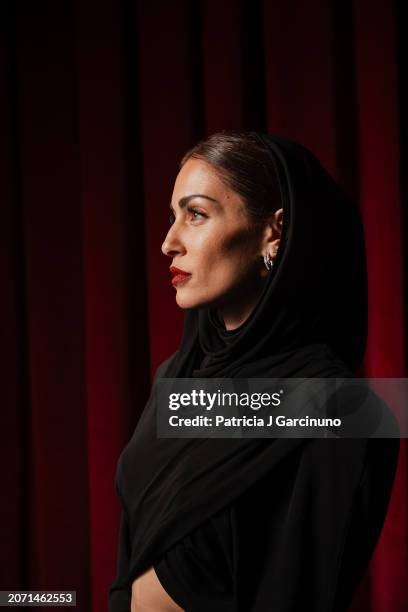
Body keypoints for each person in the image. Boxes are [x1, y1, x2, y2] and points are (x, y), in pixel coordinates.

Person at [108, 132, 400, 611]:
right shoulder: (178, 380)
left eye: (196, 214)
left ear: (274, 231)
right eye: (172, 216)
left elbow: (298, 590)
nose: (168, 243)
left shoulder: (336, 407)